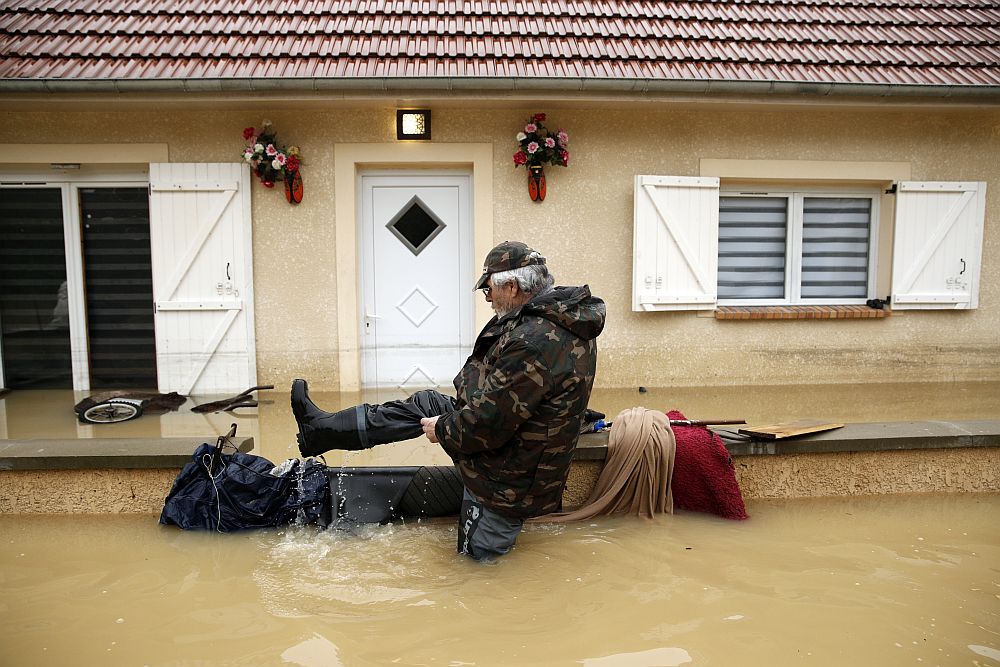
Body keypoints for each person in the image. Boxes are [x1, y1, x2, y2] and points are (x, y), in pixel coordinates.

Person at [292, 241, 605, 560]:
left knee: (476, 570)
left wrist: (442, 429)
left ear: (511, 286)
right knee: (427, 402)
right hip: (513, 450)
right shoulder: (557, 320)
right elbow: (540, 394)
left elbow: (485, 424)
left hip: (507, 481)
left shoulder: (532, 341)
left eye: (489, 289)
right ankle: (322, 431)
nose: (487, 298)